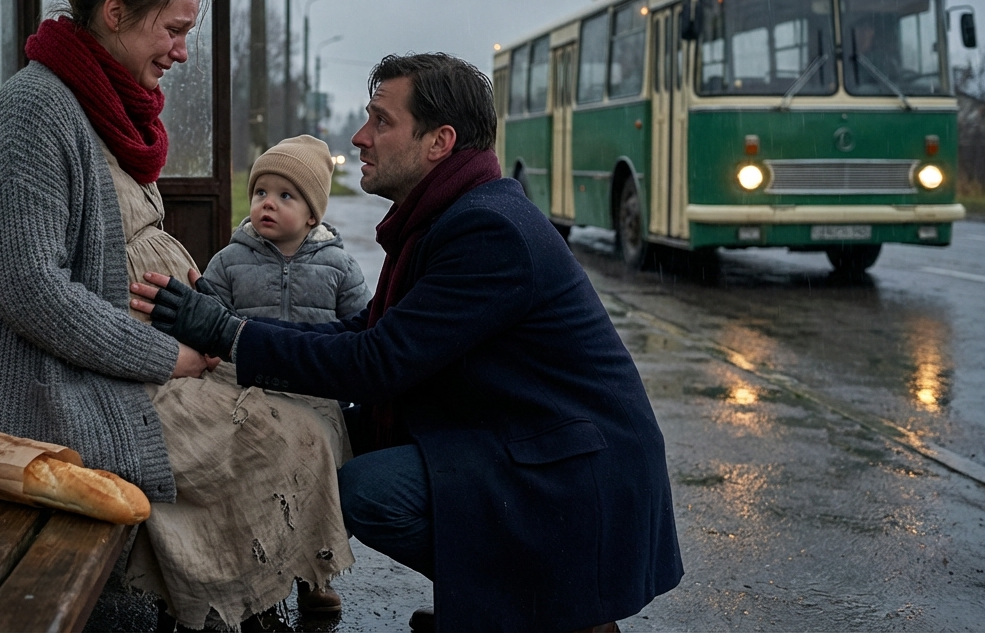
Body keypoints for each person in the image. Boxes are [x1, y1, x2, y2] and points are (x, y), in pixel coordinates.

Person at [133, 53, 684, 632]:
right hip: (525, 439)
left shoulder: (487, 230)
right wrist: (237, 335)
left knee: (366, 489)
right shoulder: (450, 214)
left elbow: (378, 362)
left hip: (574, 474)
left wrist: (225, 332)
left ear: (439, 141)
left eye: (381, 120)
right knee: (339, 440)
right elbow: (369, 330)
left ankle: (554, 612)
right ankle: (508, 603)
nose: (360, 136)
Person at [0, 0, 352, 630]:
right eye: (173, 29)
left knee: (307, 412)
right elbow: (28, 291)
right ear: (114, 15)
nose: (182, 50)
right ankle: (230, 610)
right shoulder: (34, 112)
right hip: (53, 392)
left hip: (111, 367)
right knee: (282, 437)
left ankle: (236, 605)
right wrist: (163, 354)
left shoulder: (97, 105)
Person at [199, 134, 372, 613]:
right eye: (260, 193)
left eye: (285, 195)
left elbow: (363, 330)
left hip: (317, 395)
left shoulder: (338, 266)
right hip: (248, 392)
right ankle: (258, 575)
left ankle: (316, 575)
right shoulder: (230, 261)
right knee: (256, 483)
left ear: (313, 214)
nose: (267, 204)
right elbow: (208, 316)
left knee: (321, 483)